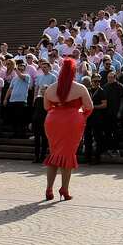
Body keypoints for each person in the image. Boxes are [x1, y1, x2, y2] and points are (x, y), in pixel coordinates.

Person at [42, 57, 93, 201]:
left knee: (54, 154)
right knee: (68, 155)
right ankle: (64, 188)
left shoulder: (51, 88)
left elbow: (46, 107)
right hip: (72, 122)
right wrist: (81, 116)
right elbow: (89, 107)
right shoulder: (80, 88)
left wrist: (58, 109)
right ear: (73, 72)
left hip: (53, 121)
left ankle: (49, 189)